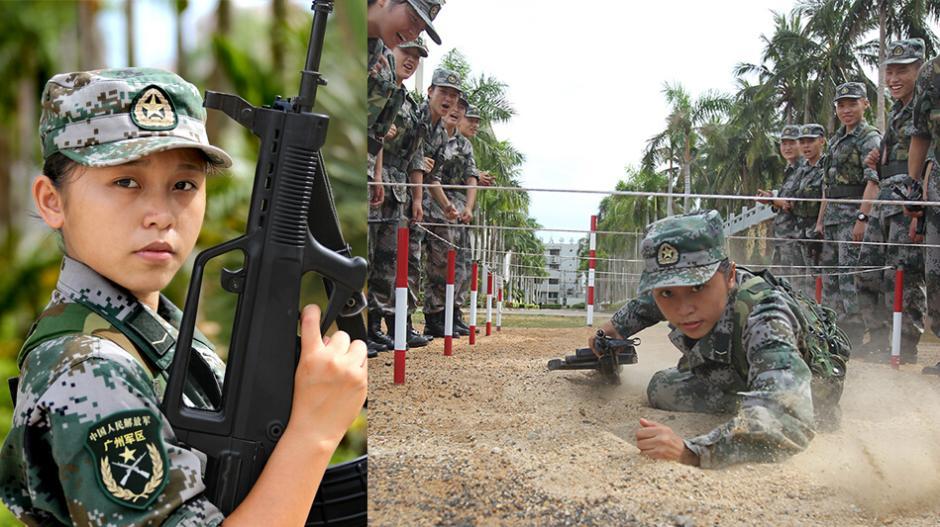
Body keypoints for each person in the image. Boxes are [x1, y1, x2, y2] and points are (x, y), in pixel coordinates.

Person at [0, 69, 367, 525]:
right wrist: (313, 432)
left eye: (184, 185)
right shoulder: (92, 368)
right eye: (126, 182)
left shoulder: (154, 331)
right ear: (52, 200)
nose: (160, 216)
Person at [592, 210, 846, 469]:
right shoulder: (684, 297)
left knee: (781, 413)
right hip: (742, 371)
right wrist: (607, 334)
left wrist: (692, 452)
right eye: (667, 292)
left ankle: (755, 409)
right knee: (661, 387)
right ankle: (746, 404)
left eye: (698, 287)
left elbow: (788, 417)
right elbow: (645, 306)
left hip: (801, 390)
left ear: (730, 276)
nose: (683, 308)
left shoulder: (766, 316)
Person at [856, 39, 927, 363]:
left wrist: (920, 205)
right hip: (886, 199)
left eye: (903, 70)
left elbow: (927, 157)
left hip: (908, 201)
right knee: (870, 271)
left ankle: (905, 345)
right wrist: (878, 161)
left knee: (904, 274)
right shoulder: (898, 109)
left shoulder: (926, 107)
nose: (894, 78)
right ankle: (882, 338)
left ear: (920, 69)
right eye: (890, 72)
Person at [367, 38, 430, 350]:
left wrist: (416, 198)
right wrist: (377, 175)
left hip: (397, 187)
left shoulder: (405, 98)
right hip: (371, 178)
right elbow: (375, 135)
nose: (411, 61)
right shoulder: (377, 83)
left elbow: (415, 155)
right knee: (366, 255)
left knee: (388, 263)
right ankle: (362, 326)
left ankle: (376, 325)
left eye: (417, 58)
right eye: (407, 53)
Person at [815, 81, 882, 348]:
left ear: (865, 104)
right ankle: (836, 332)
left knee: (849, 276)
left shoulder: (869, 137)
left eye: (852, 103)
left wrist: (862, 218)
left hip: (853, 216)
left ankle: (855, 333)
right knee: (830, 277)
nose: (846, 110)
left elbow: (873, 180)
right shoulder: (836, 140)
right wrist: (820, 220)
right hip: (832, 218)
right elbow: (826, 185)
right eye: (841, 105)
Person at [367, 0, 443, 209]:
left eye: (419, 29)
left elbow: (375, 133)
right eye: (413, 19)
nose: (412, 32)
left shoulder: (380, 57)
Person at [406, 68, 459, 337]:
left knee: (411, 262)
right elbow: (410, 157)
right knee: (397, 261)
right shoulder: (415, 115)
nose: (448, 99)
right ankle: (386, 325)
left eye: (454, 95)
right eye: (443, 92)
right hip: (401, 193)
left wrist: (446, 205)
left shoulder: (441, 133)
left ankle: (404, 324)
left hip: (419, 200)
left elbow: (432, 177)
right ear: (430, 92)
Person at [422, 98, 478, 337]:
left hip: (456, 207)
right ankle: (434, 316)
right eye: (453, 105)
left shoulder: (463, 144)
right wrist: (445, 204)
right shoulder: (429, 132)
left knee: (461, 263)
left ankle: (453, 313)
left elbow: (471, 175)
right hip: (431, 200)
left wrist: (468, 207)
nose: (456, 110)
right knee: (439, 262)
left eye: (461, 108)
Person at [907, 46, 940, 375]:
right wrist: (914, 186)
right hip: (938, 189)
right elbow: (921, 134)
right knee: (936, 275)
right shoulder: (931, 74)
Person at [757, 124, 806, 292]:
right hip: (783, 237)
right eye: (784, 144)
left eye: (792, 143)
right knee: (780, 281)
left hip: (796, 237)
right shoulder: (790, 170)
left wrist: (775, 201)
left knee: (795, 283)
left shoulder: (804, 169)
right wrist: (772, 200)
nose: (787, 147)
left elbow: (796, 203)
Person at [792, 123, 828, 298]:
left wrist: (820, 224)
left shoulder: (826, 166)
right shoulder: (801, 170)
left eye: (810, 141)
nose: (806, 146)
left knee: (819, 274)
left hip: (816, 229)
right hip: (800, 229)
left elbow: (825, 196)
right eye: (802, 142)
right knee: (806, 276)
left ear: (821, 141)